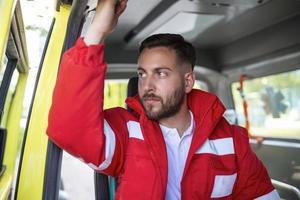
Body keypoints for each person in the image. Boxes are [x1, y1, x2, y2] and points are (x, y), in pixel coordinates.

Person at [47, 0, 280, 199]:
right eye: (142, 74)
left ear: (188, 82)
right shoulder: (127, 131)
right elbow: (69, 128)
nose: (146, 85)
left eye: (161, 73)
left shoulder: (231, 140)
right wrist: (97, 29)